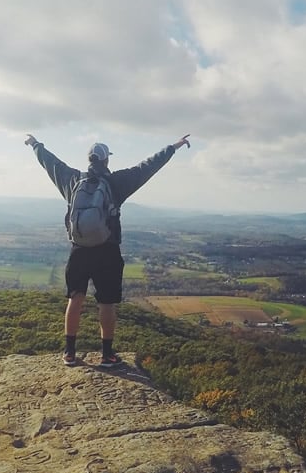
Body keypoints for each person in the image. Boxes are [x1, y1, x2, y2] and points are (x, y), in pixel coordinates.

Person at [24, 133, 192, 367]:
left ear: (89, 159)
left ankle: (69, 353)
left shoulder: (72, 180)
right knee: (106, 304)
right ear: (106, 161)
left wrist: (34, 144)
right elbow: (147, 166)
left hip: (79, 250)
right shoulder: (116, 183)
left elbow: (49, 162)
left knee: (75, 299)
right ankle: (107, 355)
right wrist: (172, 147)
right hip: (107, 251)